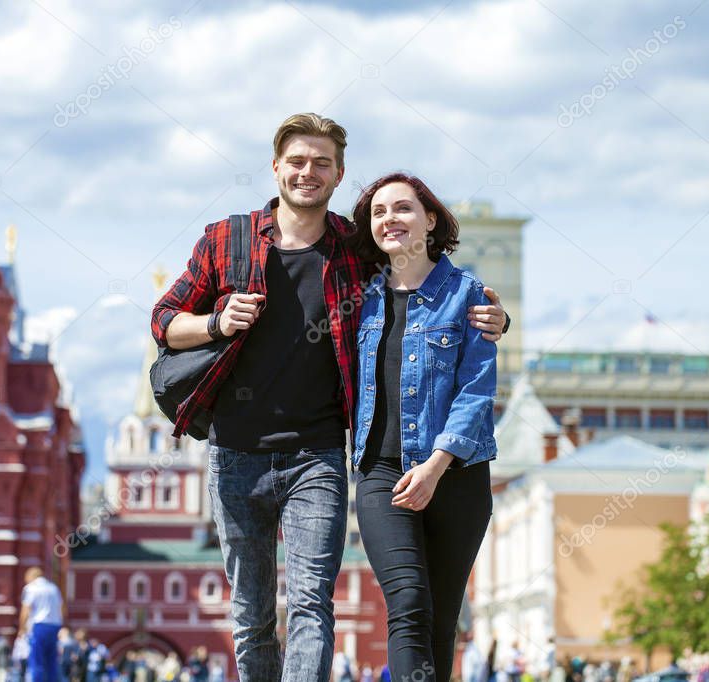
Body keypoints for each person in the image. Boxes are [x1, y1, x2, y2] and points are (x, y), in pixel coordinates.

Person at [152, 113, 508, 682]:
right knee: (250, 615)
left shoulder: (353, 247)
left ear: (339, 174)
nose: (307, 173)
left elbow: (423, 283)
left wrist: (493, 316)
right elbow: (164, 320)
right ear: (275, 168)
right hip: (235, 450)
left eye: (322, 163)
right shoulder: (227, 238)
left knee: (313, 604)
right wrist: (216, 321)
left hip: (318, 454)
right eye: (296, 161)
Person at [350, 173, 498, 680]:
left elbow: (477, 389)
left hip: (457, 476)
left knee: (440, 621)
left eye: (403, 208)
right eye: (378, 212)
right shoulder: (357, 298)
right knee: (409, 600)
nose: (390, 219)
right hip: (380, 474)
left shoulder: (467, 293)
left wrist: (435, 467)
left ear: (429, 220)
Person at [18, 567, 63, 682]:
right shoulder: (53, 588)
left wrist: (21, 628)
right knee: (51, 661)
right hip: (54, 626)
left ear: (30, 577)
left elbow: (25, 610)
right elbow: (62, 608)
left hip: (39, 626)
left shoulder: (31, 588)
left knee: (36, 660)